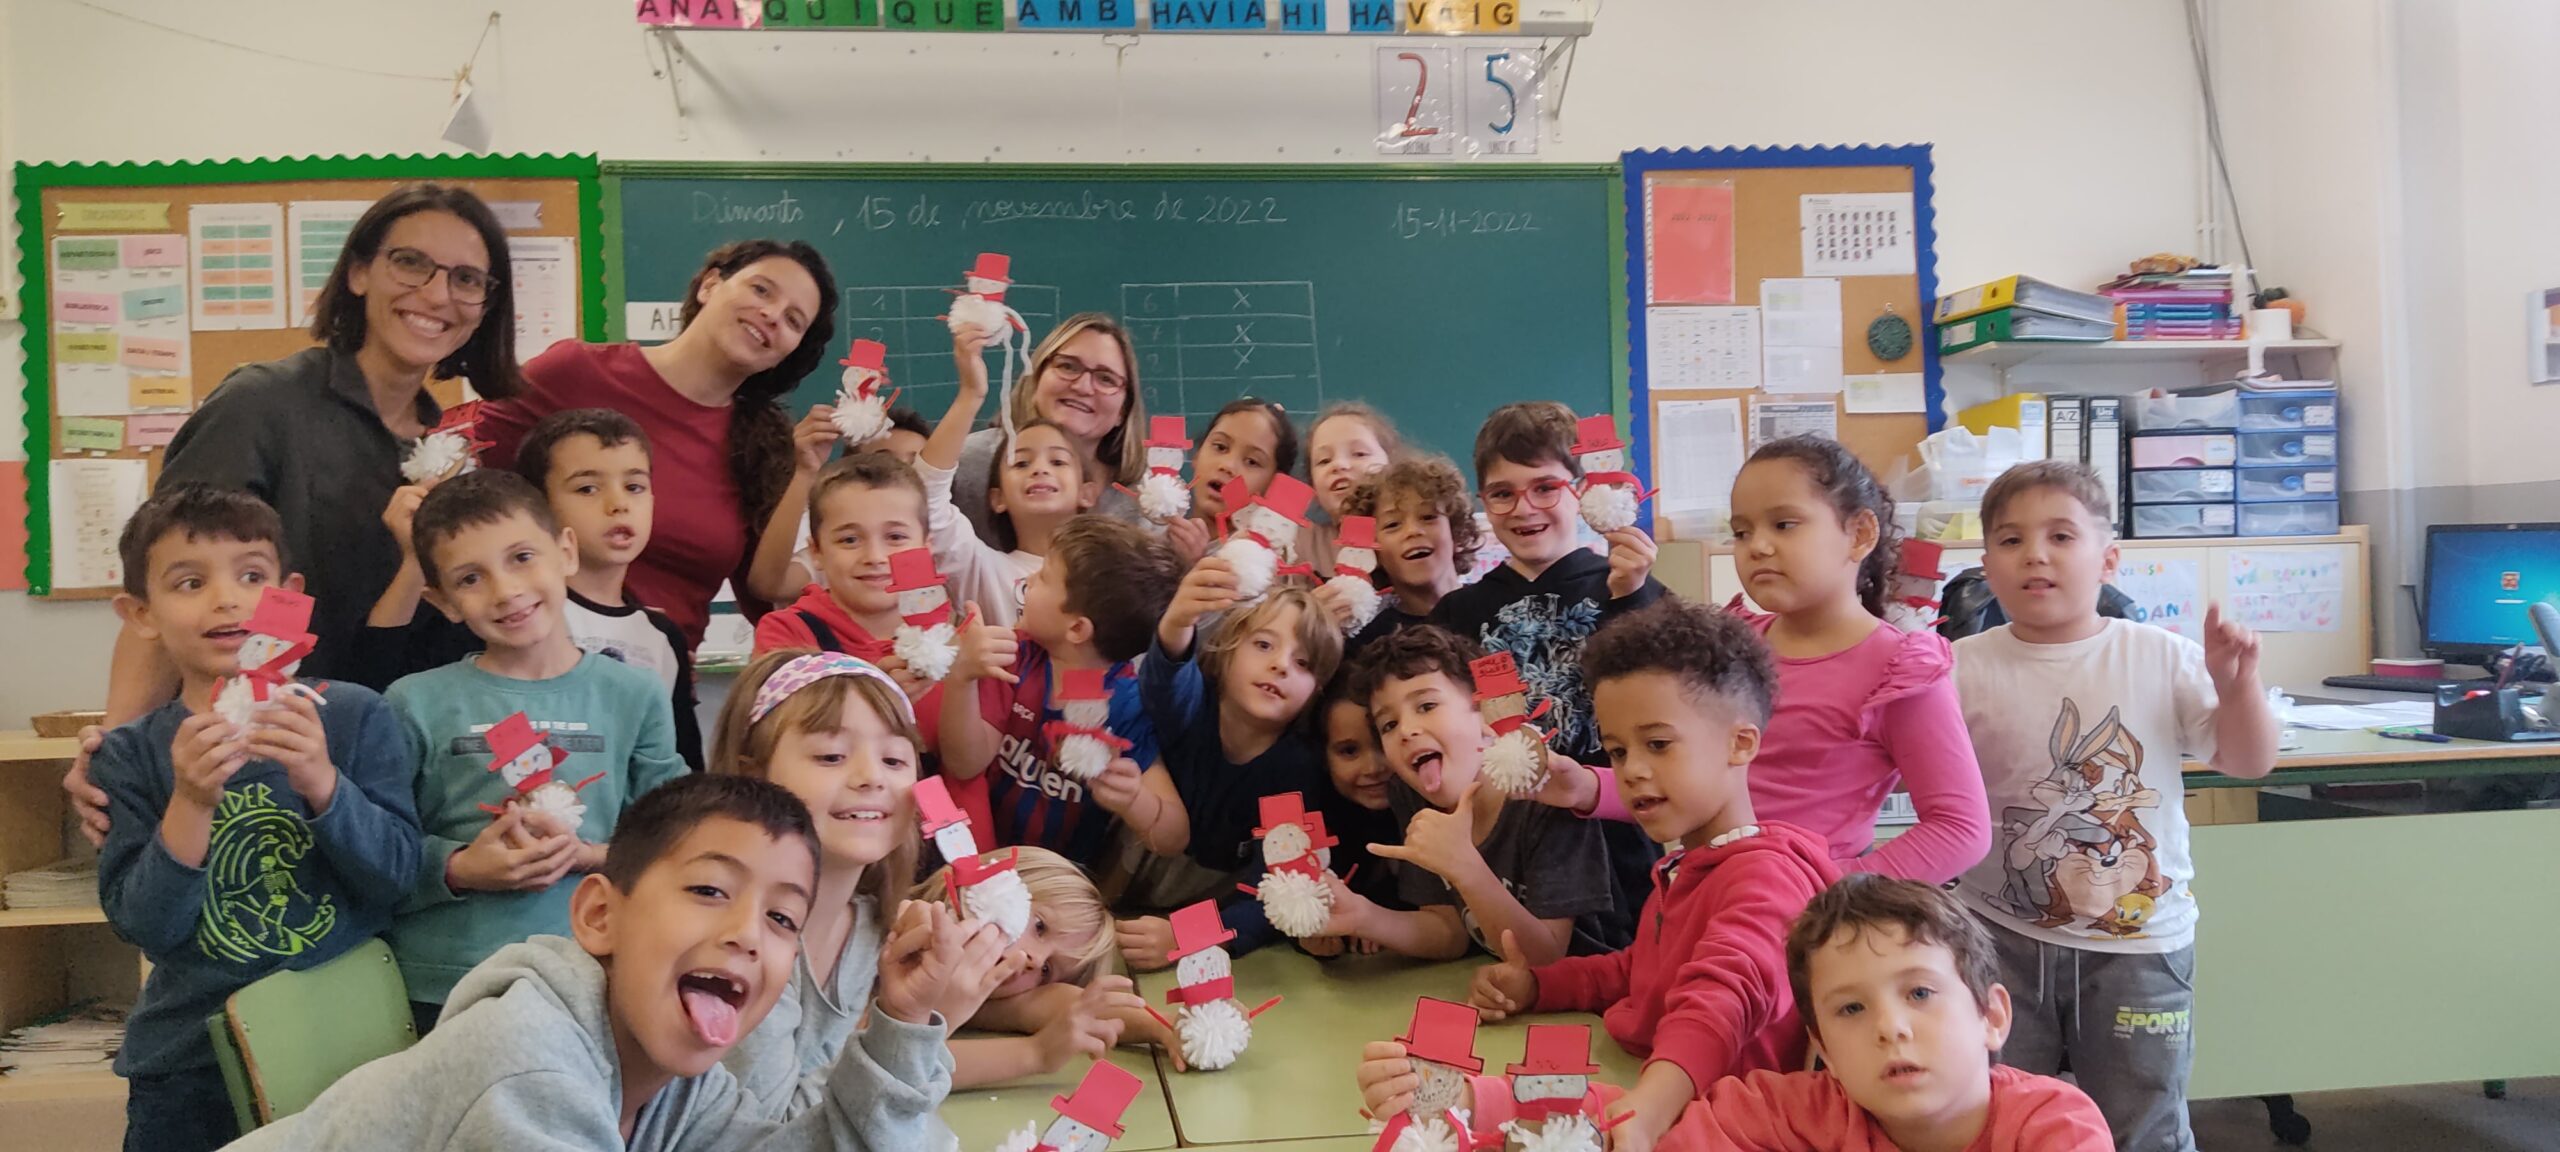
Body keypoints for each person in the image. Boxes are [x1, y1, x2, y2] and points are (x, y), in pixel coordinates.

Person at [66, 184, 522, 851]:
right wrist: (114, 752)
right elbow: (168, 579)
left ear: (486, 304)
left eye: (466, 278)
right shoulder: (264, 406)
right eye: (410, 263)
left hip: (391, 782)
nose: (436, 293)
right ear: (359, 272)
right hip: (255, 762)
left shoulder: (452, 447)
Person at [222, 774, 959, 1151]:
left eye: (782, 918)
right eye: (710, 890)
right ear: (600, 916)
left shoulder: (675, 1090)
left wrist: (899, 1023)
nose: (747, 934)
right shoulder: (527, 1065)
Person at [1952, 460, 2276, 1152]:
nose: (2035, 554)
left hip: (2139, 949)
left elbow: (2248, 761)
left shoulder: (2160, 656)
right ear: (1986, 566)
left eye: (2061, 536)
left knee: (2142, 1126)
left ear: (2108, 559)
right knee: (1999, 1120)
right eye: (2010, 540)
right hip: (1998, 939)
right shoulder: (1958, 667)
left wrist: (2238, 685)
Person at [93, 486, 420, 1152]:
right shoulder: (128, 755)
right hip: (189, 1062)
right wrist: (191, 802)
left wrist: (323, 783)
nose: (227, 599)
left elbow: (396, 879)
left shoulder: (354, 716)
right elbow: (147, 927)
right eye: (190, 582)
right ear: (141, 613)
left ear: (288, 594)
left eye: (251, 576)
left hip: (347, 1050)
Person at [1461, 600, 1839, 1152]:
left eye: (1658, 744)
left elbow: (1722, 1002)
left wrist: (1649, 1109)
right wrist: (1540, 985)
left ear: (1741, 743)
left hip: (1716, 1129)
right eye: (1617, 751)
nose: (1633, 770)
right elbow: (1639, 972)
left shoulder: (1764, 879)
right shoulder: (1686, 866)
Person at [384, 472, 688, 1033]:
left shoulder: (635, 694)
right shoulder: (413, 701)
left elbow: (673, 838)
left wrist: (587, 856)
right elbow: (378, 848)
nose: (505, 591)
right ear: (443, 601)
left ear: (566, 551)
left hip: (587, 973)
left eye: (522, 557)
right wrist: (462, 867)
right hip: (444, 982)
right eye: (470, 578)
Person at [479, 240, 840, 651]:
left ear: (789, 353)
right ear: (709, 285)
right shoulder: (574, 374)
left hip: (664, 678)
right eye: (761, 290)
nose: (772, 315)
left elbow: (771, 595)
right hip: (539, 663)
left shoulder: (764, 450)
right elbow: (463, 476)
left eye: (793, 320)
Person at [708, 650, 1012, 1120]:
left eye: (894, 759)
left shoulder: (872, 928)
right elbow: (774, 1135)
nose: (871, 777)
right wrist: (917, 1025)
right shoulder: (739, 943)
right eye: (831, 756)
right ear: (754, 776)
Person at [1429, 402, 1665, 946]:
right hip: (1509, 856)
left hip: (1618, 853)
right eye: (1502, 493)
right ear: (1483, 501)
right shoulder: (1458, 613)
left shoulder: (1629, 586)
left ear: (1581, 490)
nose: (1524, 508)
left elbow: (1669, 703)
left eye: (1545, 488)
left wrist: (1634, 598)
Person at [1654, 876, 2113, 1152]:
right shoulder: (1799, 1111)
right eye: (1851, 1008)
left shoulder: (2056, 1126)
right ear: (1825, 1050)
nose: (1890, 1027)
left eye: (1920, 993)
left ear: (1991, 1017)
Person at [1720, 435, 1989, 883]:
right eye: (1742, 532)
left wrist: (1830, 889)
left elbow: (1961, 829)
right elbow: (1684, 775)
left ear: (1860, 534)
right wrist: (1594, 788)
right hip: (1710, 893)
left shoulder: (1899, 670)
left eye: (1784, 524)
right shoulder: (1731, 645)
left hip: (1807, 916)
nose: (1758, 546)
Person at [1322, 626, 1616, 963]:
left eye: (1426, 705)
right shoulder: (1411, 795)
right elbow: (1449, 931)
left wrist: (1465, 867)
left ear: (1485, 711)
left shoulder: (1545, 797)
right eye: (1388, 725)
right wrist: (1364, 916)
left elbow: (1545, 959)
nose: (1406, 731)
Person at [938, 517, 1184, 869]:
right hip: (979, 854)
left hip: (1060, 878)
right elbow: (964, 764)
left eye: (1043, 577)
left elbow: (1175, 838)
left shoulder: (1129, 705)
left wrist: (1135, 801)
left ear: (1077, 628)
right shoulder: (1016, 657)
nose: (1027, 580)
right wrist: (963, 675)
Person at [510, 409, 705, 769]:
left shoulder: (661, 636)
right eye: (587, 488)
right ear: (539, 506)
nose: (618, 505)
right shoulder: (519, 615)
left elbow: (683, 765)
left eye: (634, 487)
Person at [949, 314, 1151, 547]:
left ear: (1123, 411)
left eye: (1106, 379)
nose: (1082, 387)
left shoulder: (1143, 496)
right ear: (1036, 378)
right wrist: (970, 393)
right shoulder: (967, 462)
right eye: (1067, 366)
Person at [1340, 454, 1480, 662]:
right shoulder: (1368, 642)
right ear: (1371, 552)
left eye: (1428, 517)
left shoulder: (1495, 609)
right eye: (1392, 525)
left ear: (1456, 532)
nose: (1413, 531)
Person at [1165, 398, 1298, 566]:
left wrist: (1191, 565)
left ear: (1273, 487)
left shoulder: (1259, 562)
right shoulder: (1155, 531)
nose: (1228, 466)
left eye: (1251, 462)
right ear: (1197, 455)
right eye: (1220, 447)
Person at [1301, 402, 1402, 572]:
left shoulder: (1416, 532)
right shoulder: (1302, 546)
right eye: (1324, 460)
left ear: (1393, 465)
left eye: (1359, 454)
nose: (1339, 465)